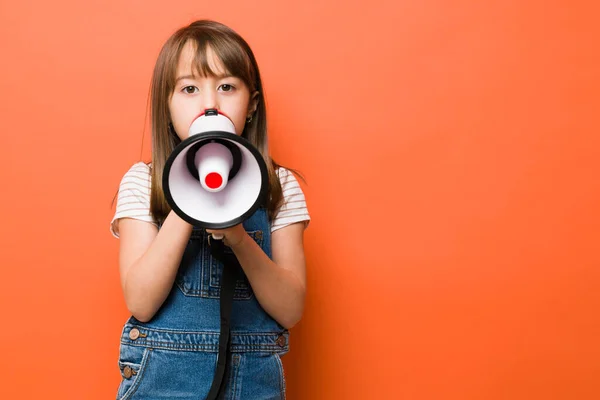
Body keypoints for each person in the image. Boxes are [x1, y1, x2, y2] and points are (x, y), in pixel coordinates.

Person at [110, 19, 310, 400]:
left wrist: (237, 236)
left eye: (226, 87)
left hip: (252, 386)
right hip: (161, 385)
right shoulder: (142, 182)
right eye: (189, 88)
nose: (209, 104)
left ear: (251, 104)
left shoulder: (280, 186)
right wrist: (187, 199)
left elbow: (290, 309)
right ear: (166, 108)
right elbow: (141, 301)